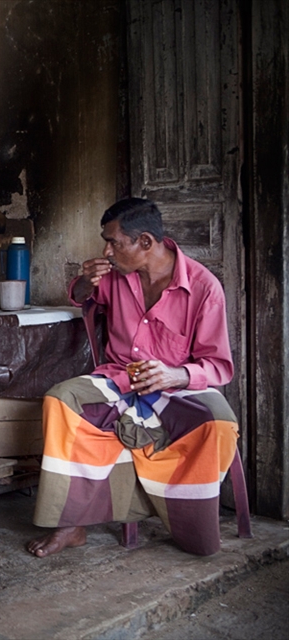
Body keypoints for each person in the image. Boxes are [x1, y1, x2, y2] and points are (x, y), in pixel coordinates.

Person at [27, 198, 239, 558]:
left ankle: (192, 527)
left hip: (176, 387)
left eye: (114, 243)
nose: (106, 252)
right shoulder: (114, 275)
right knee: (61, 400)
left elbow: (218, 366)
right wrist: (85, 282)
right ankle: (71, 524)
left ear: (145, 242)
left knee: (217, 425)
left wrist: (176, 374)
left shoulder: (204, 287)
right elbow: (80, 297)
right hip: (119, 378)